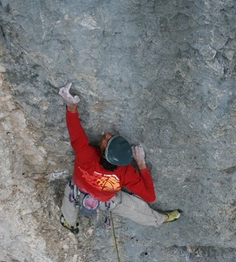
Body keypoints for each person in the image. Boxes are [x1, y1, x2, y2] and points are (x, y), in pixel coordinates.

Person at [58, 82, 181, 234]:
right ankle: (161, 219)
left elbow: (75, 131)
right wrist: (141, 163)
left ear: (103, 152)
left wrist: (71, 107)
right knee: (136, 209)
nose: (107, 135)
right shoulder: (126, 171)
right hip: (106, 200)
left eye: (107, 140)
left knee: (70, 195)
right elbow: (149, 196)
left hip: (78, 188)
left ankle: (69, 222)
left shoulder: (86, 154)